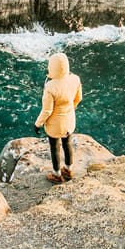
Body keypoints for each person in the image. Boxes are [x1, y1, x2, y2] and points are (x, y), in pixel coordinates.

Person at [33, 52, 83, 184]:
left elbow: (47, 110)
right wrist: (70, 109)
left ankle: (56, 175)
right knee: (67, 144)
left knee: (54, 147)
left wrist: (37, 124)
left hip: (55, 125)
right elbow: (78, 98)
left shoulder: (50, 87)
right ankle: (68, 169)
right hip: (69, 121)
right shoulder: (75, 79)